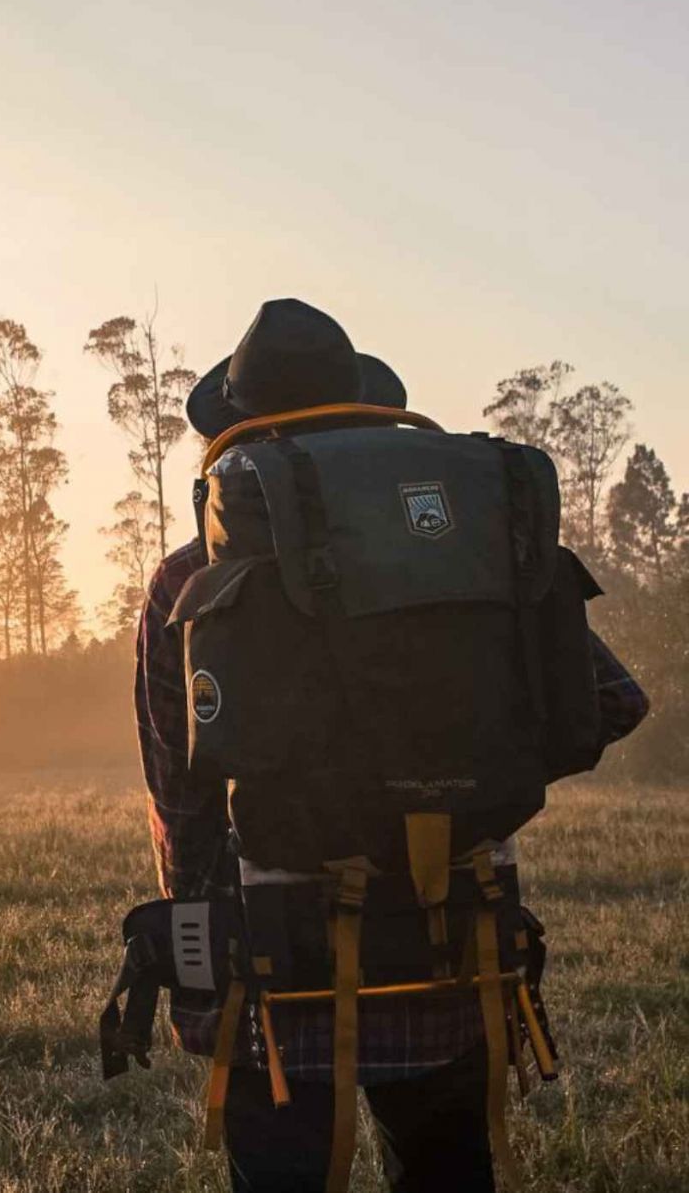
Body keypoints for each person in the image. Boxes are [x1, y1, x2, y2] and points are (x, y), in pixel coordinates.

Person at [134, 299, 648, 1193]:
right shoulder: (477, 554)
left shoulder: (188, 580)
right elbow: (612, 702)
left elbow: (181, 796)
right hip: (456, 934)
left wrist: (196, 949)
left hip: (277, 961)